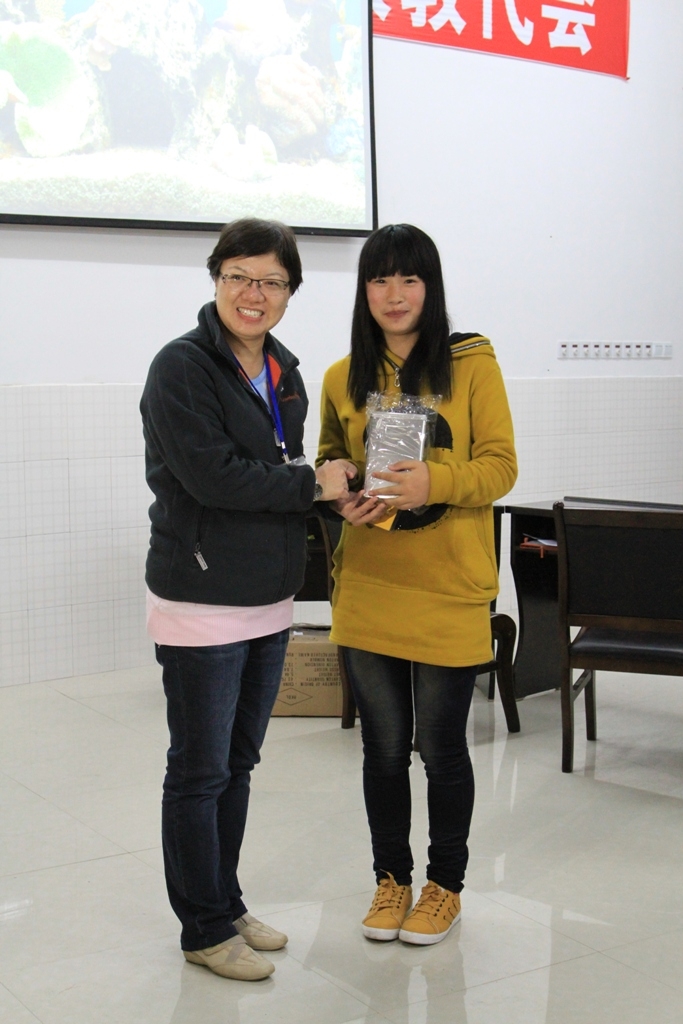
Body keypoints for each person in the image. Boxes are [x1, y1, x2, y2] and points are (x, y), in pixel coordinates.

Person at [141, 217, 353, 981]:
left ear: (290, 293)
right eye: (238, 276)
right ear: (216, 279)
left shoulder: (283, 370)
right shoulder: (181, 366)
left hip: (267, 595)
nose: (252, 293)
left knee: (237, 762)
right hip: (201, 599)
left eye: (270, 281)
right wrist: (312, 486)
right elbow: (214, 477)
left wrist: (340, 495)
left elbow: (284, 469)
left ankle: (225, 903)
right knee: (198, 771)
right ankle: (202, 929)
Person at [317, 223, 517, 946]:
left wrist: (436, 481)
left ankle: (444, 888)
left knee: (440, 749)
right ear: (363, 290)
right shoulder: (342, 376)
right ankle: (391, 880)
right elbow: (329, 457)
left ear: (430, 288)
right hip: (370, 583)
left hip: (447, 586)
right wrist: (338, 488)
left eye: (409, 278)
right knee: (381, 748)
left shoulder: (471, 364)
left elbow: (501, 467)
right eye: (379, 279)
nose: (394, 294)